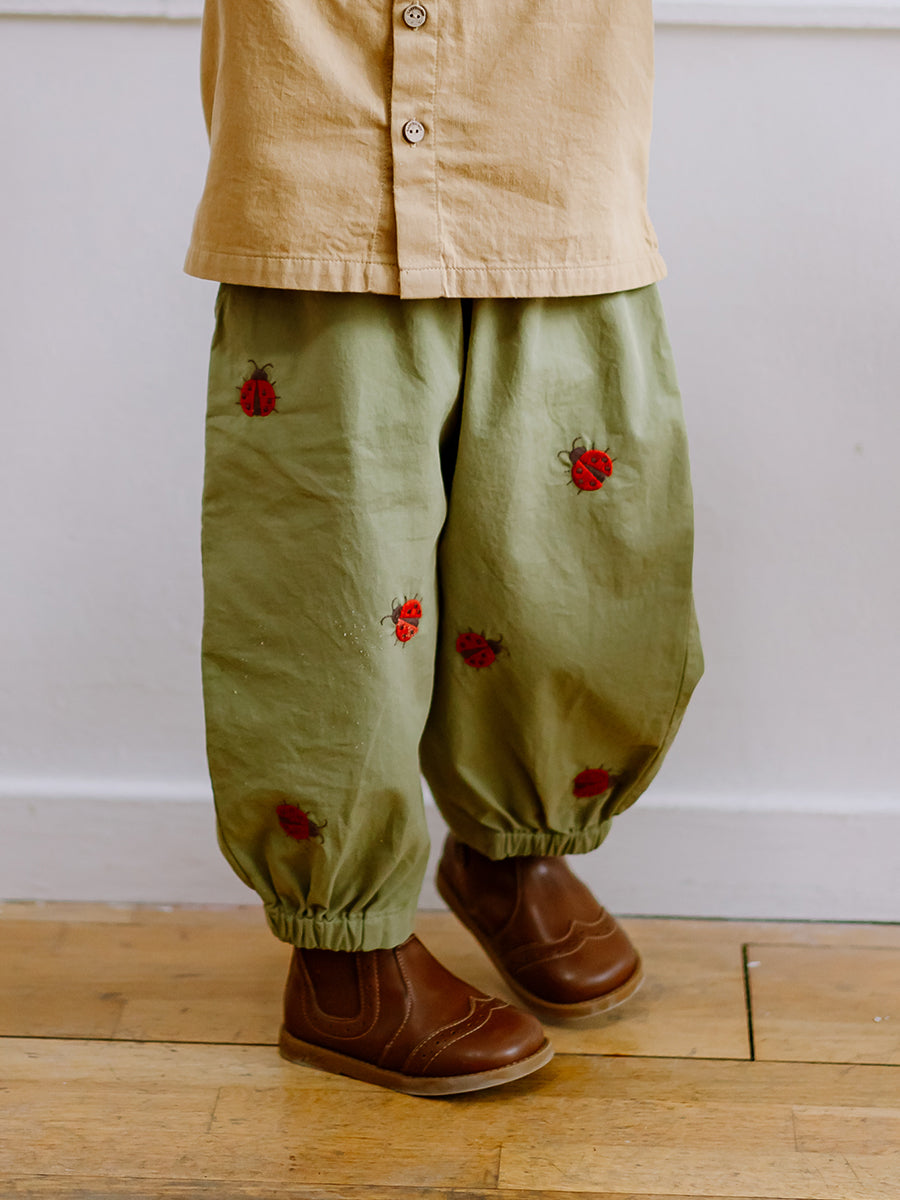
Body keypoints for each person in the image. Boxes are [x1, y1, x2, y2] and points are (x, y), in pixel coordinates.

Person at [184, 0, 703, 1096]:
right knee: (329, 572)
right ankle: (343, 961)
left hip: (553, 144)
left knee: (564, 555)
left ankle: (513, 849)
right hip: (318, 157)